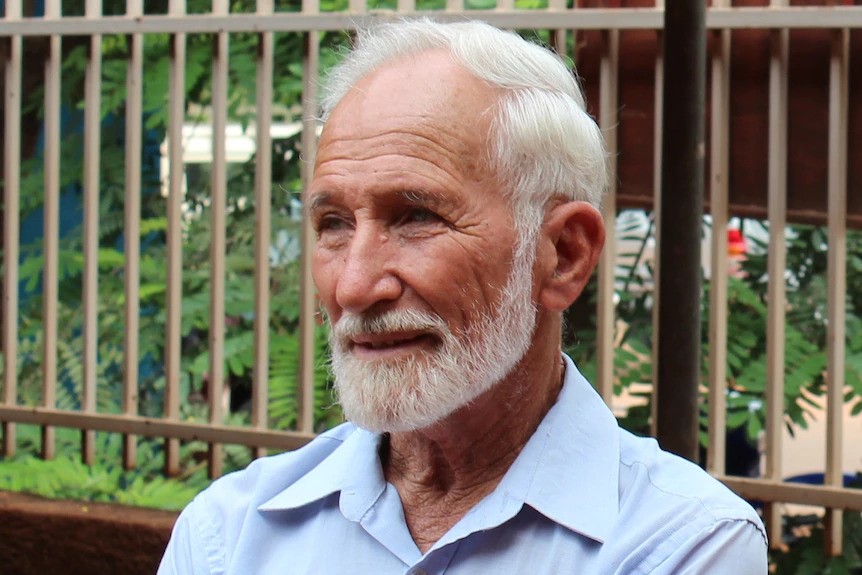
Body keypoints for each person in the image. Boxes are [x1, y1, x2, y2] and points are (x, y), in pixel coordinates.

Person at [158, 18, 767, 574]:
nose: (353, 286)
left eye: (417, 217)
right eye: (334, 224)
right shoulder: (231, 534)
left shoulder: (680, 544)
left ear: (564, 256)